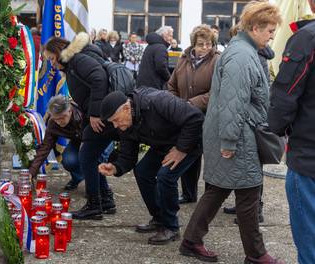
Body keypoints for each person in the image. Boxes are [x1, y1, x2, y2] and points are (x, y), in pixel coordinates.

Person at [179, 2, 285, 264]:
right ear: (254, 27)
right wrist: (228, 142)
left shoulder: (244, 50)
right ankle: (256, 254)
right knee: (248, 194)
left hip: (235, 132)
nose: (272, 35)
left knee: (217, 189)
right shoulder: (241, 56)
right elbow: (232, 103)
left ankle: (191, 241)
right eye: (270, 30)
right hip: (238, 135)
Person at [98, 88, 204, 245]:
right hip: (163, 145)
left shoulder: (157, 101)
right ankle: (159, 218)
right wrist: (115, 168)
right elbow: (128, 157)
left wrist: (181, 149)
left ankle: (171, 227)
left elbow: (195, 118)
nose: (115, 125)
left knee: (165, 176)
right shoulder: (126, 124)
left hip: (189, 142)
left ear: (127, 108)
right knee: (142, 171)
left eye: (115, 119)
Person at [43, 32, 118, 220]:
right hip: (100, 114)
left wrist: (94, 113)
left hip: (102, 115)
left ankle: (95, 205)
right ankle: (105, 200)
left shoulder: (78, 60)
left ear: (60, 53)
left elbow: (99, 78)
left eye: (52, 59)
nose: (52, 64)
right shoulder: (73, 64)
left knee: (87, 156)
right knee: (90, 156)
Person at [268, 1, 315, 264]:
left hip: (308, 157)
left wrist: (275, 128)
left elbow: (284, 96)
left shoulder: (306, 38)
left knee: (309, 237)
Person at [223, 24, 275, 222]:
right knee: (246, 165)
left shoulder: (255, 55)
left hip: (253, 117)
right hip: (252, 114)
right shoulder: (251, 53)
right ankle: (244, 206)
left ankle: (256, 209)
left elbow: (258, 89)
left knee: (253, 165)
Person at [167, 24, 220, 204]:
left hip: (208, 117)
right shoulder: (183, 60)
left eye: (209, 44)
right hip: (185, 117)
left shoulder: (217, 61)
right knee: (188, 151)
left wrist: (192, 103)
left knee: (211, 158)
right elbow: (171, 85)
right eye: (201, 44)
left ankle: (211, 198)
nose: (205, 48)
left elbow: (218, 91)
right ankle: (189, 194)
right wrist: (177, 104)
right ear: (193, 44)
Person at [28, 95, 113, 192]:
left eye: (62, 117)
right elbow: (45, 147)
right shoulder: (53, 124)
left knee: (95, 159)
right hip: (78, 141)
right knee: (69, 160)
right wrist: (32, 171)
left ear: (70, 110)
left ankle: (98, 188)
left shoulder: (83, 112)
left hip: (101, 138)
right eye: (56, 119)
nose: (59, 122)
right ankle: (78, 178)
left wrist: (86, 150)